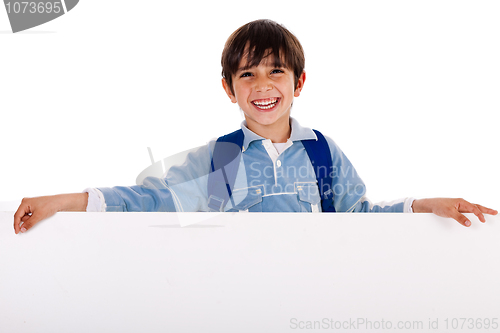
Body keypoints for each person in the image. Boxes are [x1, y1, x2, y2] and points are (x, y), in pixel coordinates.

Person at [13, 19, 497, 234]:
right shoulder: (222, 158)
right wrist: (63, 201)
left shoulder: (323, 153)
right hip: (241, 302)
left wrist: (425, 205)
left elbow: (359, 218)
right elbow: (152, 200)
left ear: (298, 81)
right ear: (229, 88)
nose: (262, 85)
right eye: (247, 73)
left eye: (275, 71)